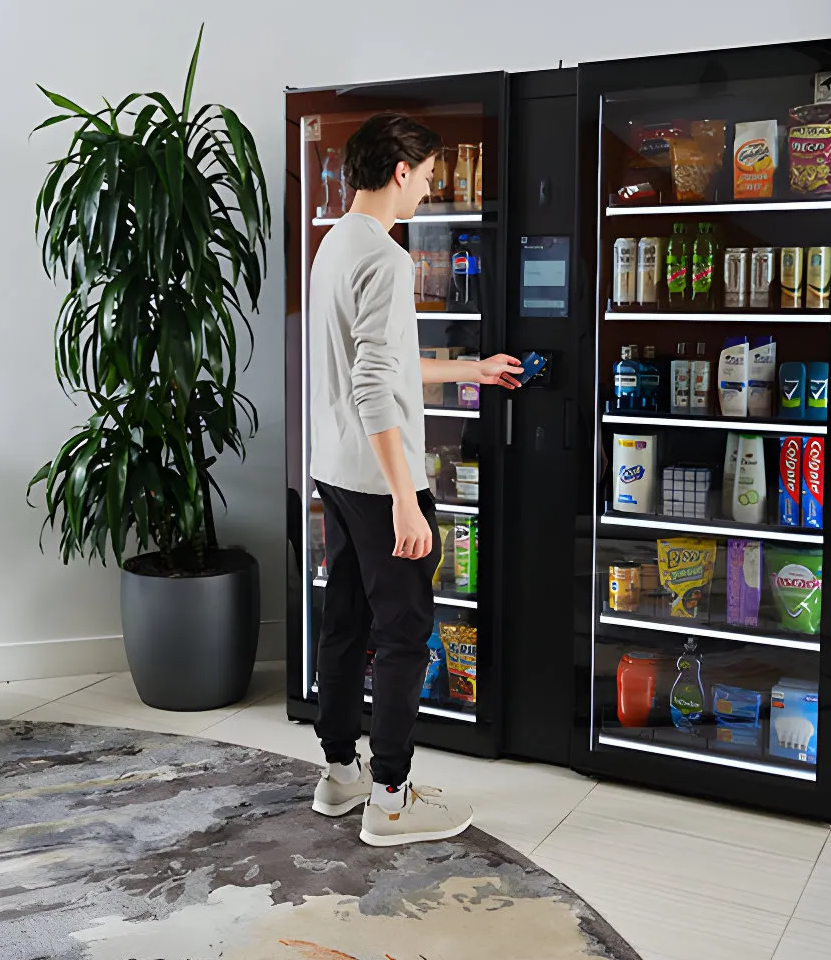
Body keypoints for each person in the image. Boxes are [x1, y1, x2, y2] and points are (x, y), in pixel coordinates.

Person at [307, 113, 523, 847]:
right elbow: (374, 386)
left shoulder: (336, 243)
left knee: (344, 623)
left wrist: (471, 369)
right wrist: (406, 498)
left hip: (336, 470)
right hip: (378, 482)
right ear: (400, 171)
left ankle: (341, 774)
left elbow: (381, 364)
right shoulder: (389, 259)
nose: (429, 190)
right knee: (404, 635)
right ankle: (392, 800)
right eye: (427, 176)